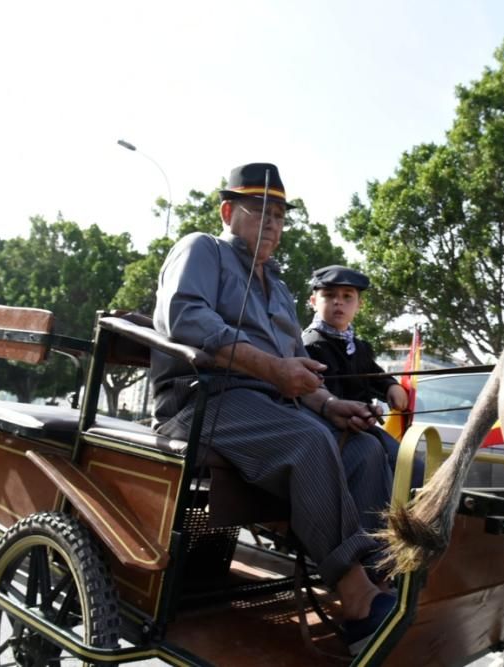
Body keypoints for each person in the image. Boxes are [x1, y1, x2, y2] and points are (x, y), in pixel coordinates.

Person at [149, 162, 394, 653]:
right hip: (202, 400)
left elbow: (292, 366)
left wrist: (329, 404)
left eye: (280, 216)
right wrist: (271, 372)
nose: (272, 225)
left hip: (267, 405)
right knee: (307, 442)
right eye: (258, 211)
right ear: (227, 211)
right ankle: (358, 597)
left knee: (368, 448)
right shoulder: (202, 249)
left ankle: (368, 585)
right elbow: (185, 315)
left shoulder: (278, 287)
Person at [301, 266, 424, 487]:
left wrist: (391, 387)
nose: (338, 302)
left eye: (347, 296)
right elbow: (316, 394)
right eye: (329, 295)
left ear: (359, 305)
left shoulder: (359, 346)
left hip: (363, 428)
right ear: (313, 301)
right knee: (378, 466)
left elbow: (374, 374)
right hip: (330, 431)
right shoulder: (310, 344)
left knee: (414, 467)